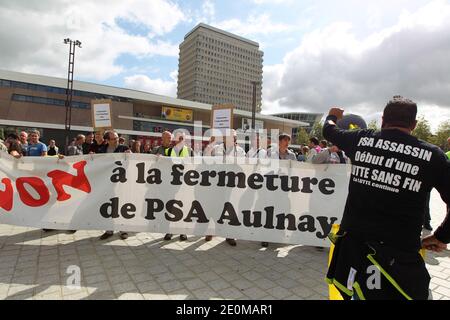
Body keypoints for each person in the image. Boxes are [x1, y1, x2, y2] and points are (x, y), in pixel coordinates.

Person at [324, 96, 450, 300]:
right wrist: (441, 236)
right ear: (414, 125)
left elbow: (328, 130)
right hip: (401, 262)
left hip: (357, 256)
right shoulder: (433, 156)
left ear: (383, 120)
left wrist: (333, 115)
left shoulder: (361, 140)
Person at [207, 129, 246, 246]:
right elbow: (207, 160)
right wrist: (210, 146)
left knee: (230, 209)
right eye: (229, 137)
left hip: (232, 185)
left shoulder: (240, 151)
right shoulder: (216, 149)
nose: (232, 139)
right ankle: (211, 230)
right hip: (217, 183)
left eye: (234, 137)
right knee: (215, 206)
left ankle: (229, 235)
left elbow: (244, 166)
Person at [97, 130, 132, 240]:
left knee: (121, 205)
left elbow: (132, 161)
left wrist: (130, 156)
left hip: (121, 182)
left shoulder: (124, 148)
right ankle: (109, 229)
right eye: (113, 138)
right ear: (107, 140)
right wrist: (92, 158)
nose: (116, 140)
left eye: (117, 137)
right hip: (107, 183)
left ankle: (123, 230)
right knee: (109, 205)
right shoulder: (102, 150)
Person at [162, 131, 193, 242]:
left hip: (184, 183)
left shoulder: (190, 150)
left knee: (183, 206)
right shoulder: (168, 150)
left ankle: (183, 231)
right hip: (171, 183)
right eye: (178, 138)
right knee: (170, 207)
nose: (180, 140)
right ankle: (169, 230)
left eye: (182, 138)